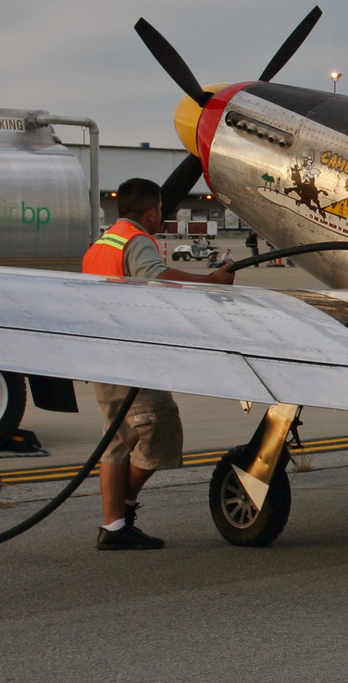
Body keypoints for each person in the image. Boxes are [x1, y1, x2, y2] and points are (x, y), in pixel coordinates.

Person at [82, 178, 235, 550]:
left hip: (101, 353)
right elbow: (154, 277)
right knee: (160, 426)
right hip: (128, 356)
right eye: (160, 211)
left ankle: (114, 525)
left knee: (118, 439)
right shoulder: (136, 242)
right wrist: (209, 282)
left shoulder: (102, 244)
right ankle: (123, 507)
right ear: (151, 212)